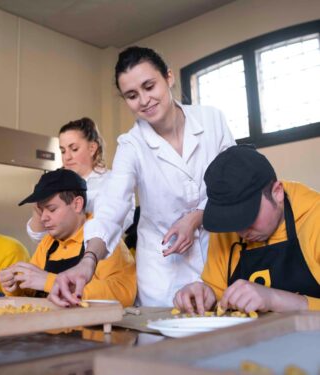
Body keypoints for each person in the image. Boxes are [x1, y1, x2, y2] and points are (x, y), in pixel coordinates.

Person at [49, 46, 235, 307]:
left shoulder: (211, 120)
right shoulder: (131, 145)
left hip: (219, 254)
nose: (144, 100)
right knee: (166, 339)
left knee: (227, 335)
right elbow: (112, 206)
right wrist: (88, 261)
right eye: (132, 95)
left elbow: (235, 183)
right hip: (164, 270)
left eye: (149, 86)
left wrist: (197, 216)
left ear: (168, 77)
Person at [174, 145, 320, 313]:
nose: (241, 232)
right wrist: (205, 294)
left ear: (277, 192)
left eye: (247, 217)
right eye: (232, 221)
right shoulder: (228, 230)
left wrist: (274, 299)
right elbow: (218, 294)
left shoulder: (315, 218)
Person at [0, 169, 136, 307]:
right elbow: (33, 290)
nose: (43, 218)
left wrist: (52, 282)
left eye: (51, 209)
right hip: (51, 325)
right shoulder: (48, 243)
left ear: (77, 204)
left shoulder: (102, 239)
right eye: (41, 210)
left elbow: (123, 293)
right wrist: (15, 286)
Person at [26, 117, 135, 243]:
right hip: (62, 255)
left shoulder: (114, 181)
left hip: (101, 257)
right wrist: (37, 210)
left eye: (74, 149)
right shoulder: (55, 183)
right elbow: (38, 237)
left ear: (92, 148)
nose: (67, 157)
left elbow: (119, 225)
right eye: (63, 151)